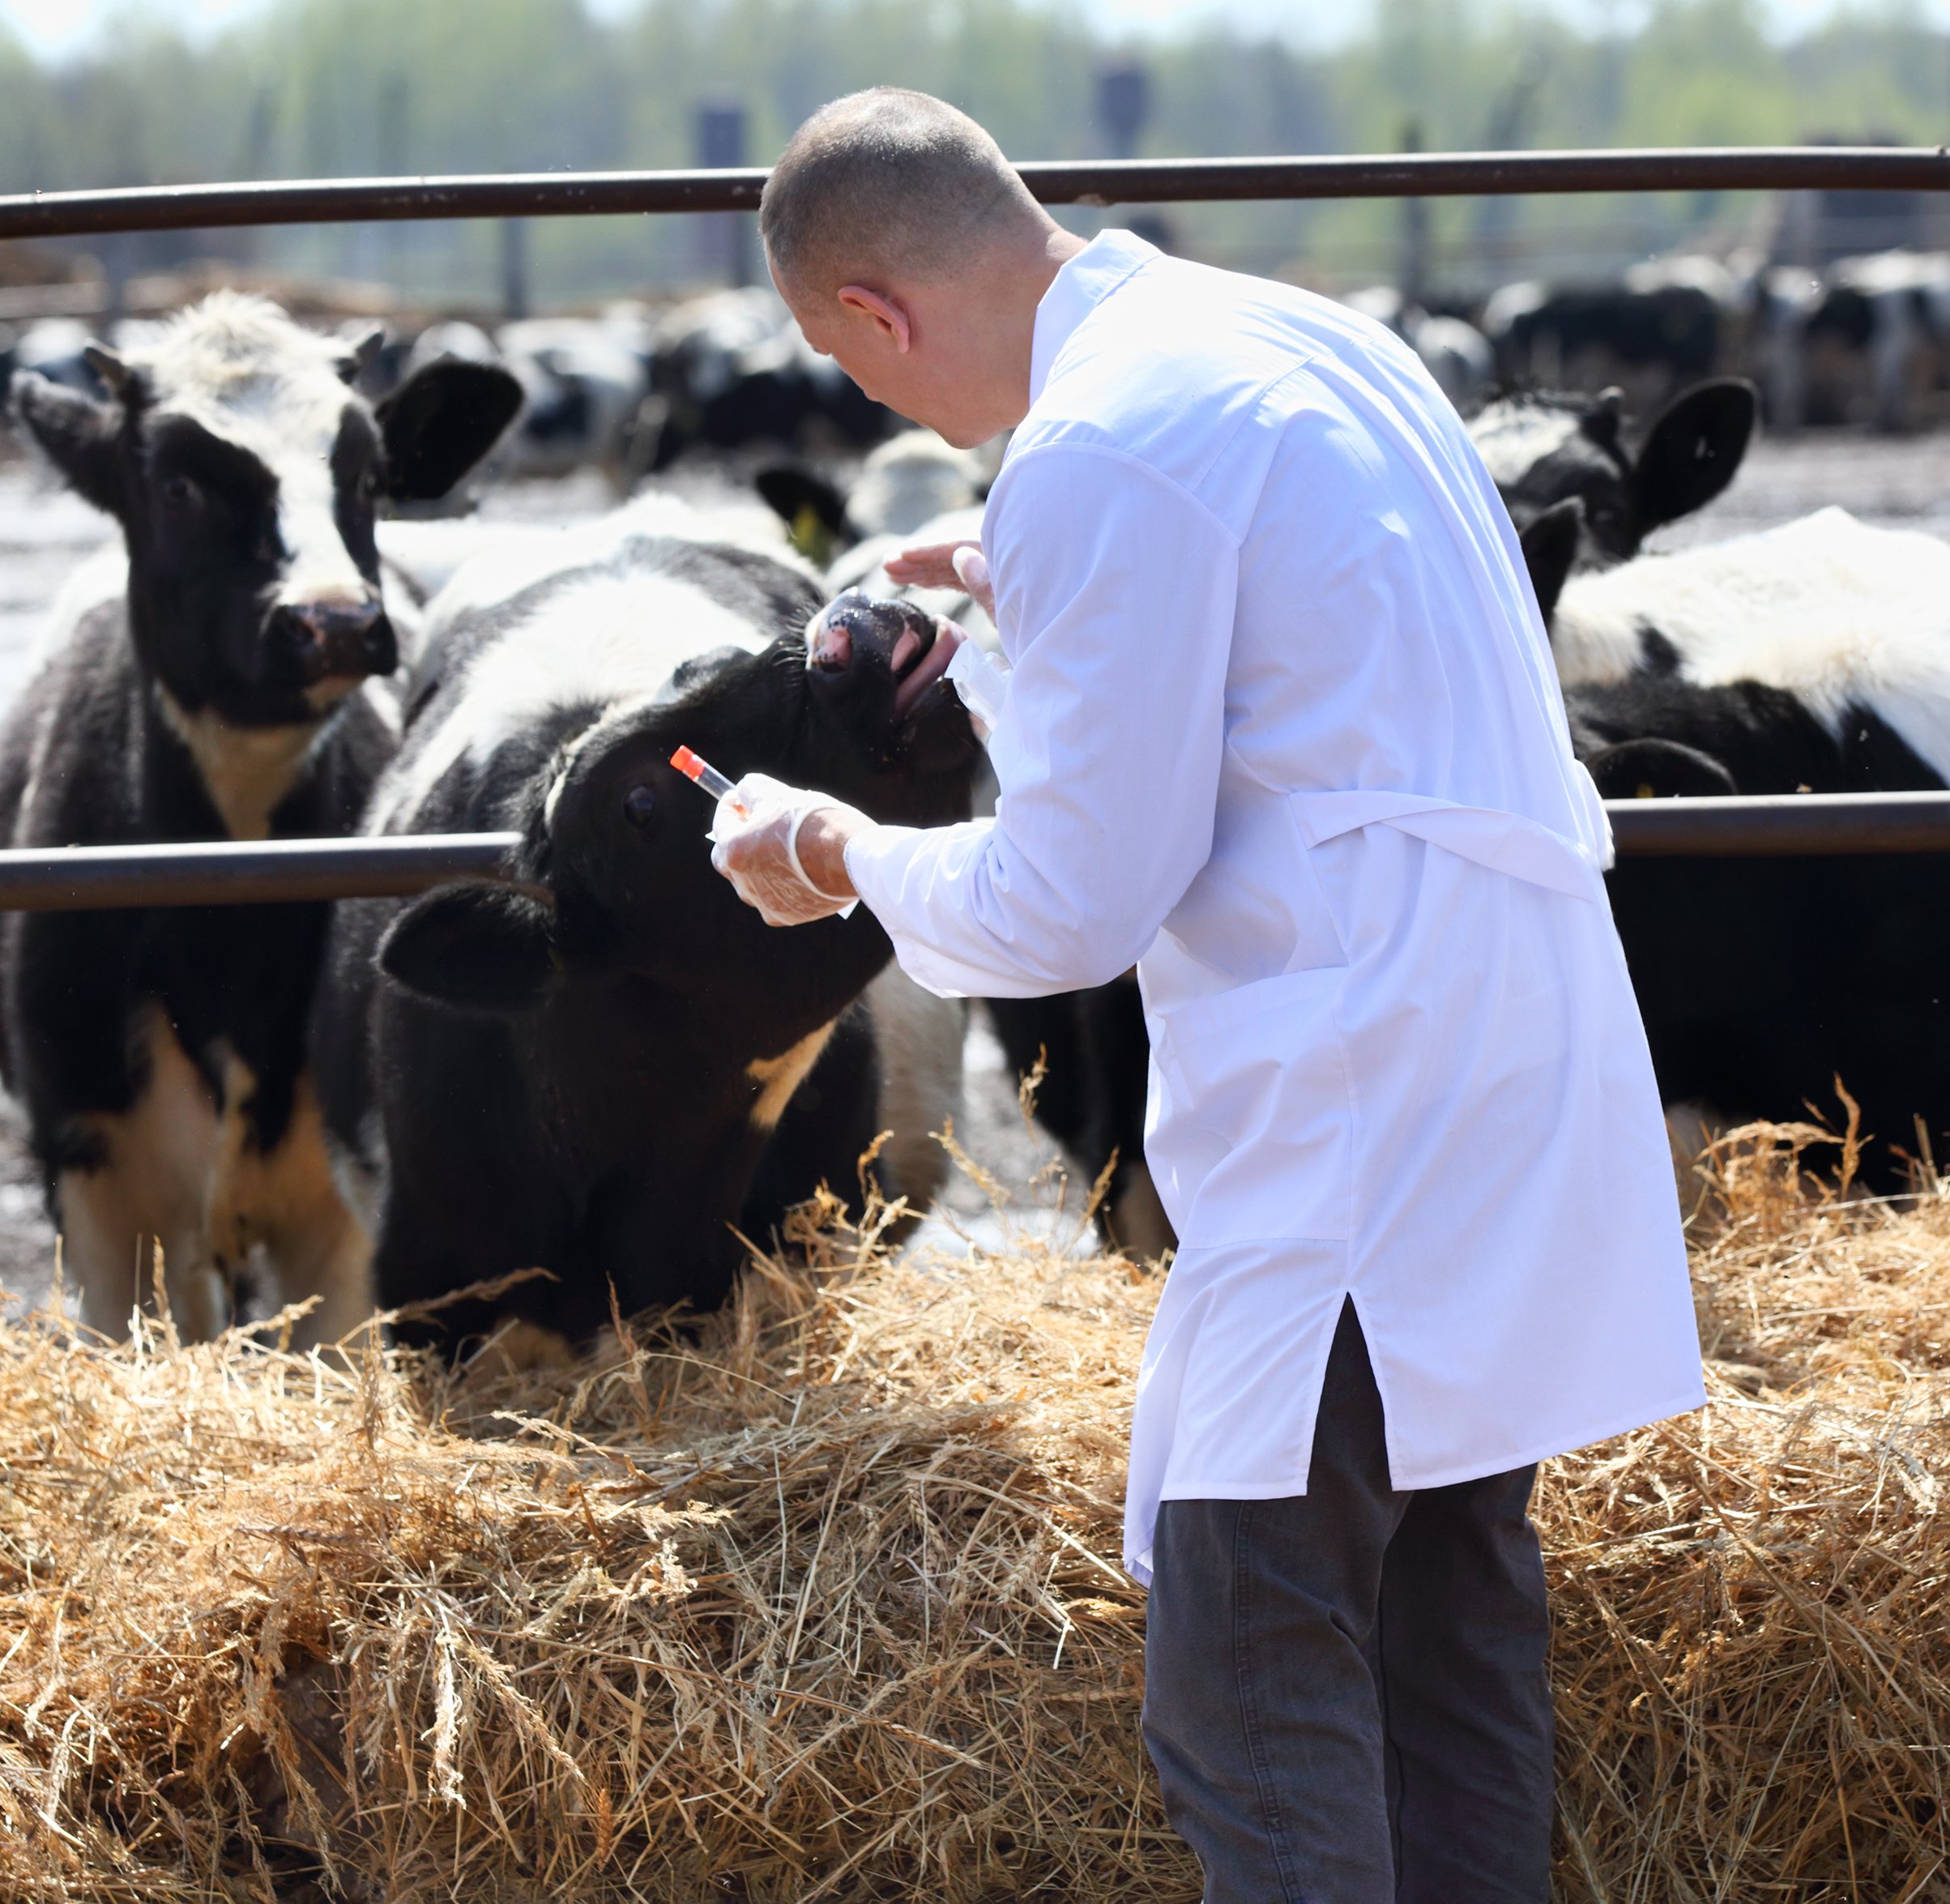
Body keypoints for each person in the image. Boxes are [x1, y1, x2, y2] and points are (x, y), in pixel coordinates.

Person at [711, 88, 1705, 1902]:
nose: (872, 402)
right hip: (1511, 1031)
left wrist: (836, 846)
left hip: (1358, 1082)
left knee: (1247, 1668)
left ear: (872, 314)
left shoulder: (1095, 445)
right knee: (1446, 1624)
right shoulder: (1304, 337)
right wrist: (1031, 584)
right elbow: (1311, 630)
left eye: (846, 367)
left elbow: (1072, 903)